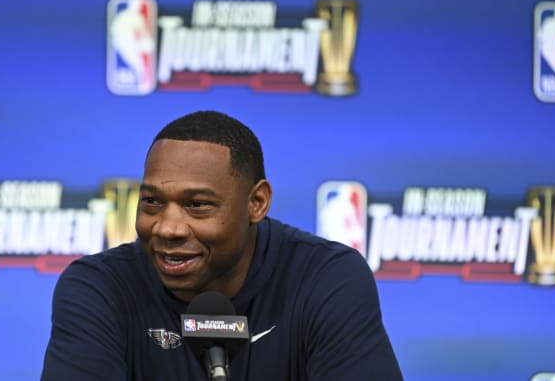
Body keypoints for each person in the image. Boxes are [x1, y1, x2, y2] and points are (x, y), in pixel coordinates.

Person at [40, 110, 403, 380]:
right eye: (151, 202)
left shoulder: (326, 279)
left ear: (256, 203)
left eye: (197, 205)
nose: (167, 227)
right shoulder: (98, 287)